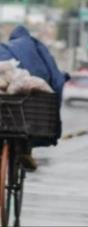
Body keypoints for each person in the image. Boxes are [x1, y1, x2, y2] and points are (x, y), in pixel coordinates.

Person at [0, 26, 68, 171]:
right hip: (33, 91)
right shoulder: (38, 47)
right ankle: (25, 151)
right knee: (29, 119)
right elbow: (54, 73)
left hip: (8, 89)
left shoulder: (5, 48)